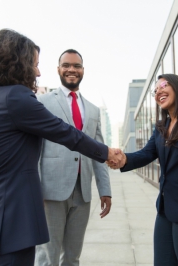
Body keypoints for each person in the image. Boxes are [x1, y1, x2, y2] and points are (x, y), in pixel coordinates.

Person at [0, 29, 120, 266]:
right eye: (34, 64)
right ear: (17, 63)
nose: (37, 72)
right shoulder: (17, 97)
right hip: (14, 230)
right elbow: (65, 133)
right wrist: (107, 152)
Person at [108, 74, 178, 266]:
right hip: (166, 212)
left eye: (163, 86)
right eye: (155, 90)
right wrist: (123, 159)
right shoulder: (161, 127)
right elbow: (146, 153)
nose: (158, 91)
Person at [34, 49, 112, 266]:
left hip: (82, 192)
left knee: (72, 257)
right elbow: (35, 149)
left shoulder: (94, 110)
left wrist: (105, 190)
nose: (71, 70)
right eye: (66, 65)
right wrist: (36, 189)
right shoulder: (42, 102)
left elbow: (98, 151)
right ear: (58, 69)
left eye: (76, 66)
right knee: (47, 257)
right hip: (51, 192)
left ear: (83, 70)